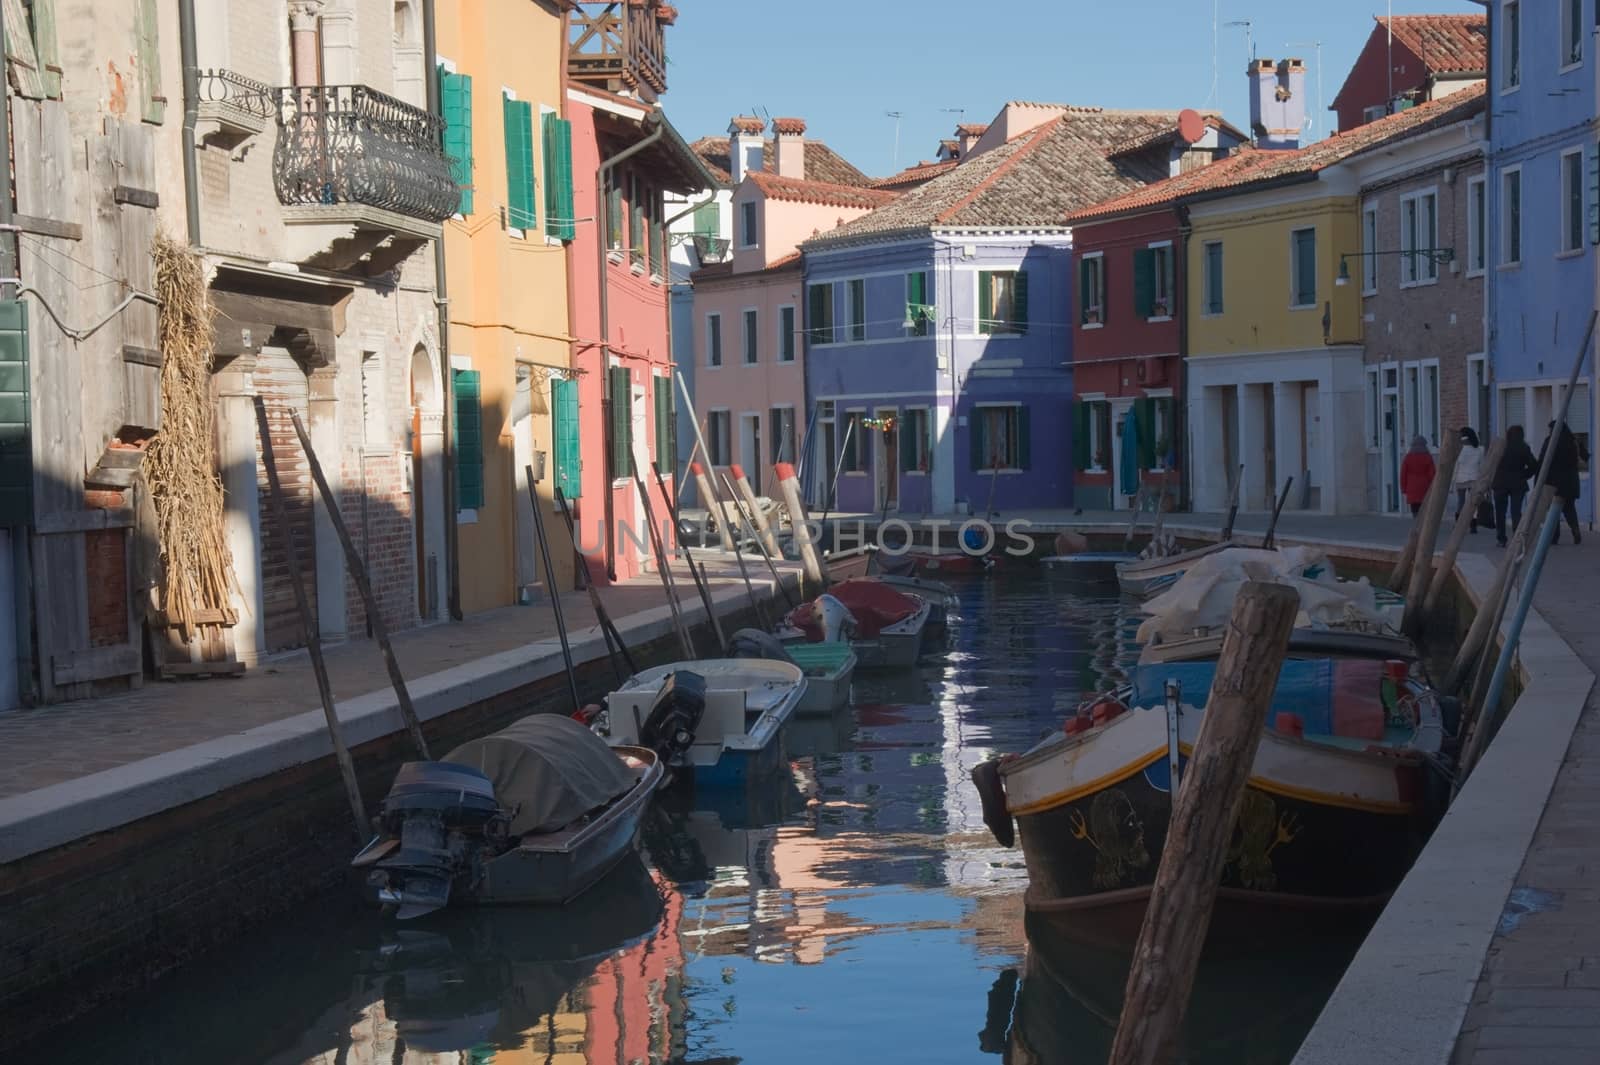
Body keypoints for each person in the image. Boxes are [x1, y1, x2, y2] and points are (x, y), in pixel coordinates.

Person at [1538, 420, 1590, 545]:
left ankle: (1554, 537)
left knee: (1552, 510)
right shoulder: (1573, 440)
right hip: (1570, 481)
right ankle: (1576, 531)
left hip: (1553, 481)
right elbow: (1586, 456)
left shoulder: (1550, 441)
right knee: (1569, 508)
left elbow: (1542, 460)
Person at [1493, 424, 1538, 547]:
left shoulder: (1501, 447)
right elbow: (1534, 465)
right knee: (1516, 512)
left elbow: (1491, 464)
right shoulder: (1523, 448)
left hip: (1500, 483)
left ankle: (1501, 538)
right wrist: (1524, 475)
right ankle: (1517, 539)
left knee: (1500, 512)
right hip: (1517, 483)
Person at [1453, 427, 1483, 532]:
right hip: (1474, 477)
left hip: (1460, 478)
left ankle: (1458, 524)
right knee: (1472, 502)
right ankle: (1473, 524)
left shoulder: (1460, 450)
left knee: (1461, 501)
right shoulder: (1479, 450)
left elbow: (1456, 466)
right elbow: (1481, 466)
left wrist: (1453, 481)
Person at [1400, 435, 1436, 516]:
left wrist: (1403, 488)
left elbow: (1403, 474)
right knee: (1424, 508)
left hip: (1411, 486)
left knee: (1414, 508)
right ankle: (1422, 526)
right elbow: (1432, 474)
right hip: (1424, 485)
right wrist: (1433, 487)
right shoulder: (1428, 457)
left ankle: (1416, 523)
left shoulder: (1408, 457)